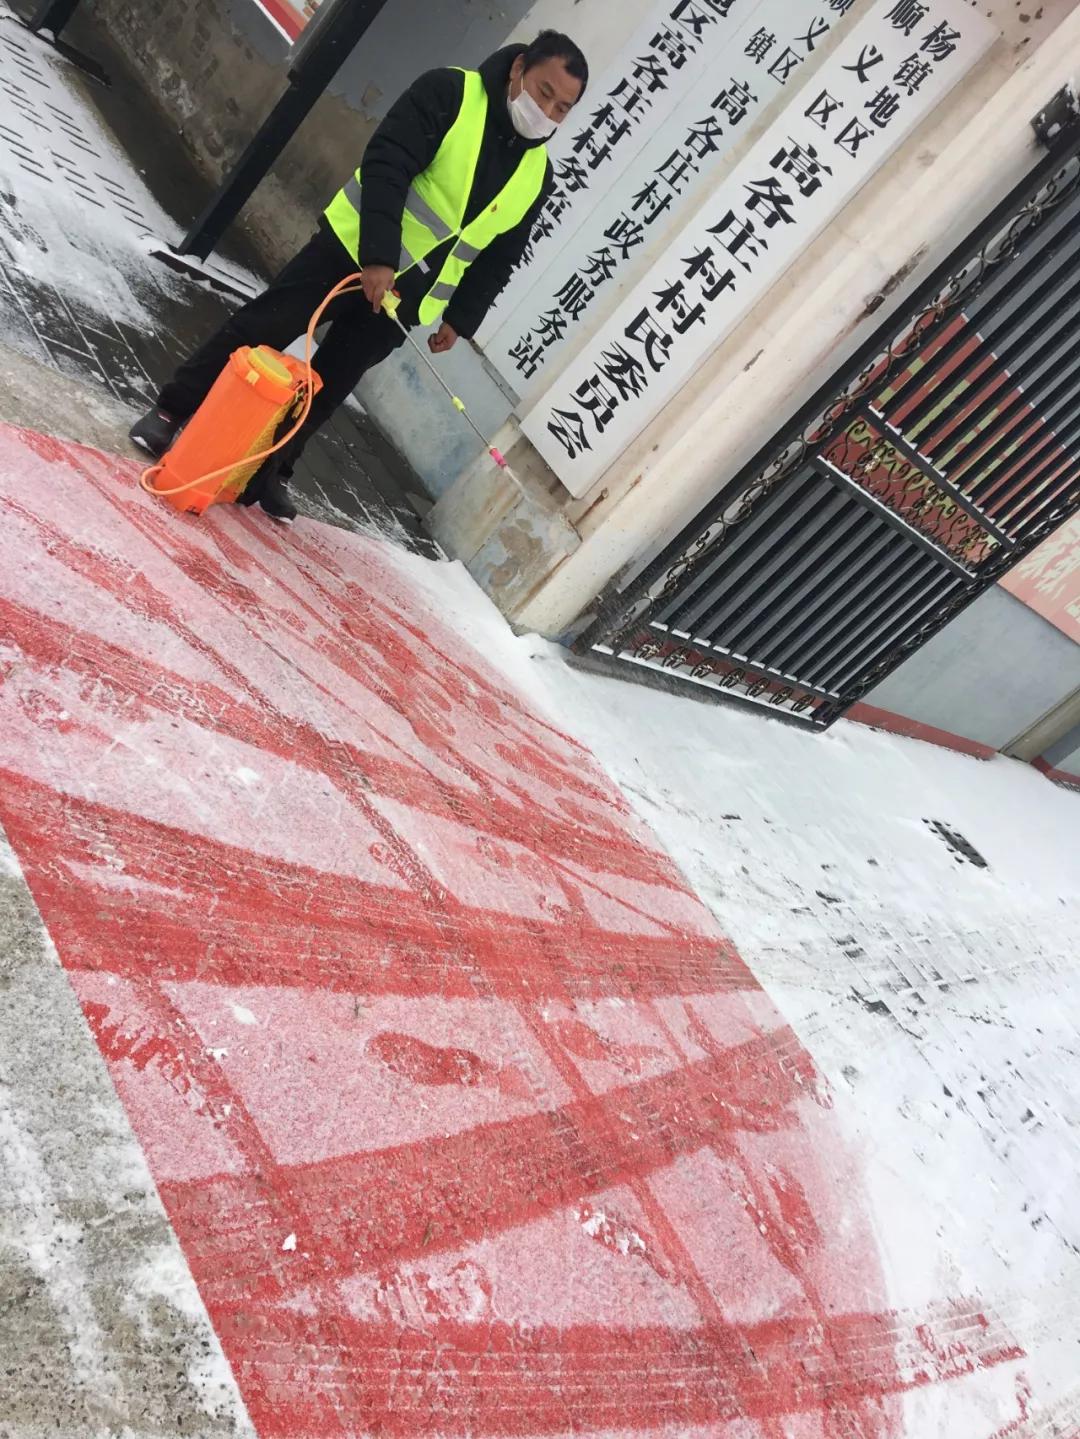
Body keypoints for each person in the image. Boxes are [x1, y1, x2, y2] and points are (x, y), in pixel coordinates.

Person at [129, 30, 588, 524]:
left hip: (406, 301)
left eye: (562, 108)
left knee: (328, 384)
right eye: (544, 92)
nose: (548, 113)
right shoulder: (450, 94)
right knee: (263, 329)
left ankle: (268, 471)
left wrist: (461, 318)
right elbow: (388, 165)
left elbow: (500, 255)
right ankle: (172, 411)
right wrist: (378, 258)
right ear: (519, 67)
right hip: (350, 252)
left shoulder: (537, 175)